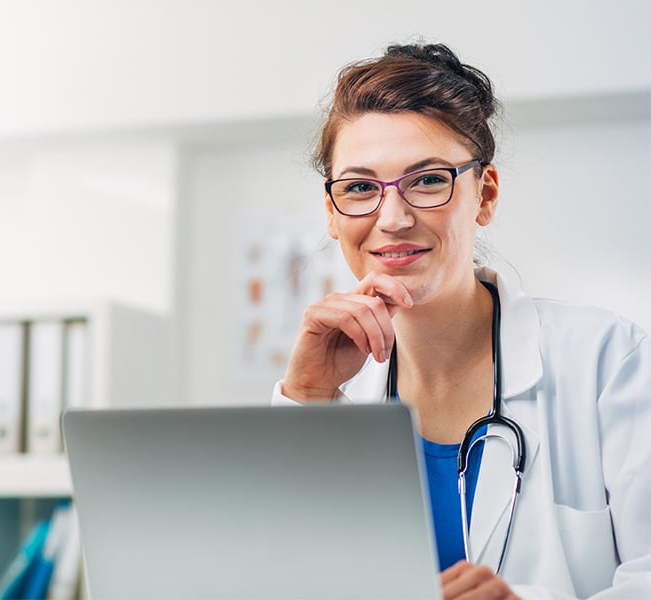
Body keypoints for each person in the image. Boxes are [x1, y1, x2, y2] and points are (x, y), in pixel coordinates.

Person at [272, 42, 650, 599]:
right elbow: (279, 576)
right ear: (332, 213)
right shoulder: (331, 391)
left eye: (428, 180)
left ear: (485, 194)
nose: (393, 218)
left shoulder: (605, 358)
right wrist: (305, 397)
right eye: (359, 188)